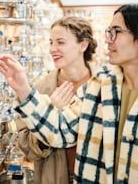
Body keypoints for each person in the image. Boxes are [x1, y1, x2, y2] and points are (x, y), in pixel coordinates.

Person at [0, 4, 138, 183]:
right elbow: (60, 130)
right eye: (108, 32)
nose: (107, 39)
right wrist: (23, 88)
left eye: (116, 32)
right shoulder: (99, 88)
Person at [16, 16, 98, 184]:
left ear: (83, 45)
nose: (52, 49)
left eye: (60, 42)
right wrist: (48, 112)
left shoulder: (102, 86)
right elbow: (26, 147)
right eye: (51, 42)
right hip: (52, 177)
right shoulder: (40, 90)